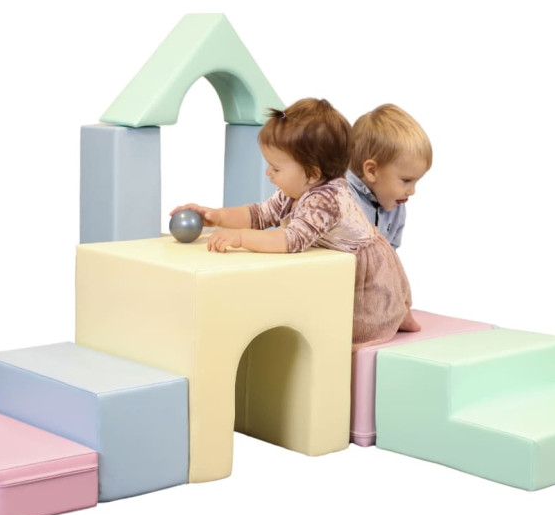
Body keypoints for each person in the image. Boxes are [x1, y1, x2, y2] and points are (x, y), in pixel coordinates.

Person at [170, 97, 420, 348]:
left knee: (357, 327)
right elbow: (260, 214)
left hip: (365, 273)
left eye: (276, 168)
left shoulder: (327, 200)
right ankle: (397, 312)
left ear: (312, 173)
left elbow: (290, 240)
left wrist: (241, 237)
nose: (268, 173)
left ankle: (397, 315)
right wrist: (217, 216)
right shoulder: (296, 191)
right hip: (336, 266)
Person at [346, 104, 432, 250]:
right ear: (372, 171)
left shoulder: (395, 204)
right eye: (406, 180)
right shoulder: (341, 199)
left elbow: (390, 255)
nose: (412, 191)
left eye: (415, 181)